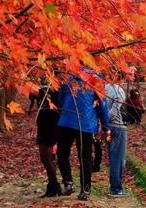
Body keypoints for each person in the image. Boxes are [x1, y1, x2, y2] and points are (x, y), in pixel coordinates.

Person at [56, 68, 111, 201]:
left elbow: (60, 101)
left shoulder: (69, 76)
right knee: (85, 157)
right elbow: (101, 105)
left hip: (67, 121)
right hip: (86, 123)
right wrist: (105, 126)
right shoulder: (96, 79)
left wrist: (65, 110)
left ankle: (68, 183)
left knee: (62, 153)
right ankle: (85, 190)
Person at [36, 80, 61, 197]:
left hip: (50, 123)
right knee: (45, 157)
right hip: (44, 123)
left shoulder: (56, 88)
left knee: (47, 156)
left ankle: (54, 186)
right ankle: (53, 184)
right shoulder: (45, 84)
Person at [105, 80, 129, 197]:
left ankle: (114, 186)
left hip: (108, 128)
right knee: (118, 159)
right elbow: (114, 112)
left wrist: (104, 124)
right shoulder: (118, 91)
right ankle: (116, 189)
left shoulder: (104, 88)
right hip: (118, 127)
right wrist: (106, 120)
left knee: (112, 158)